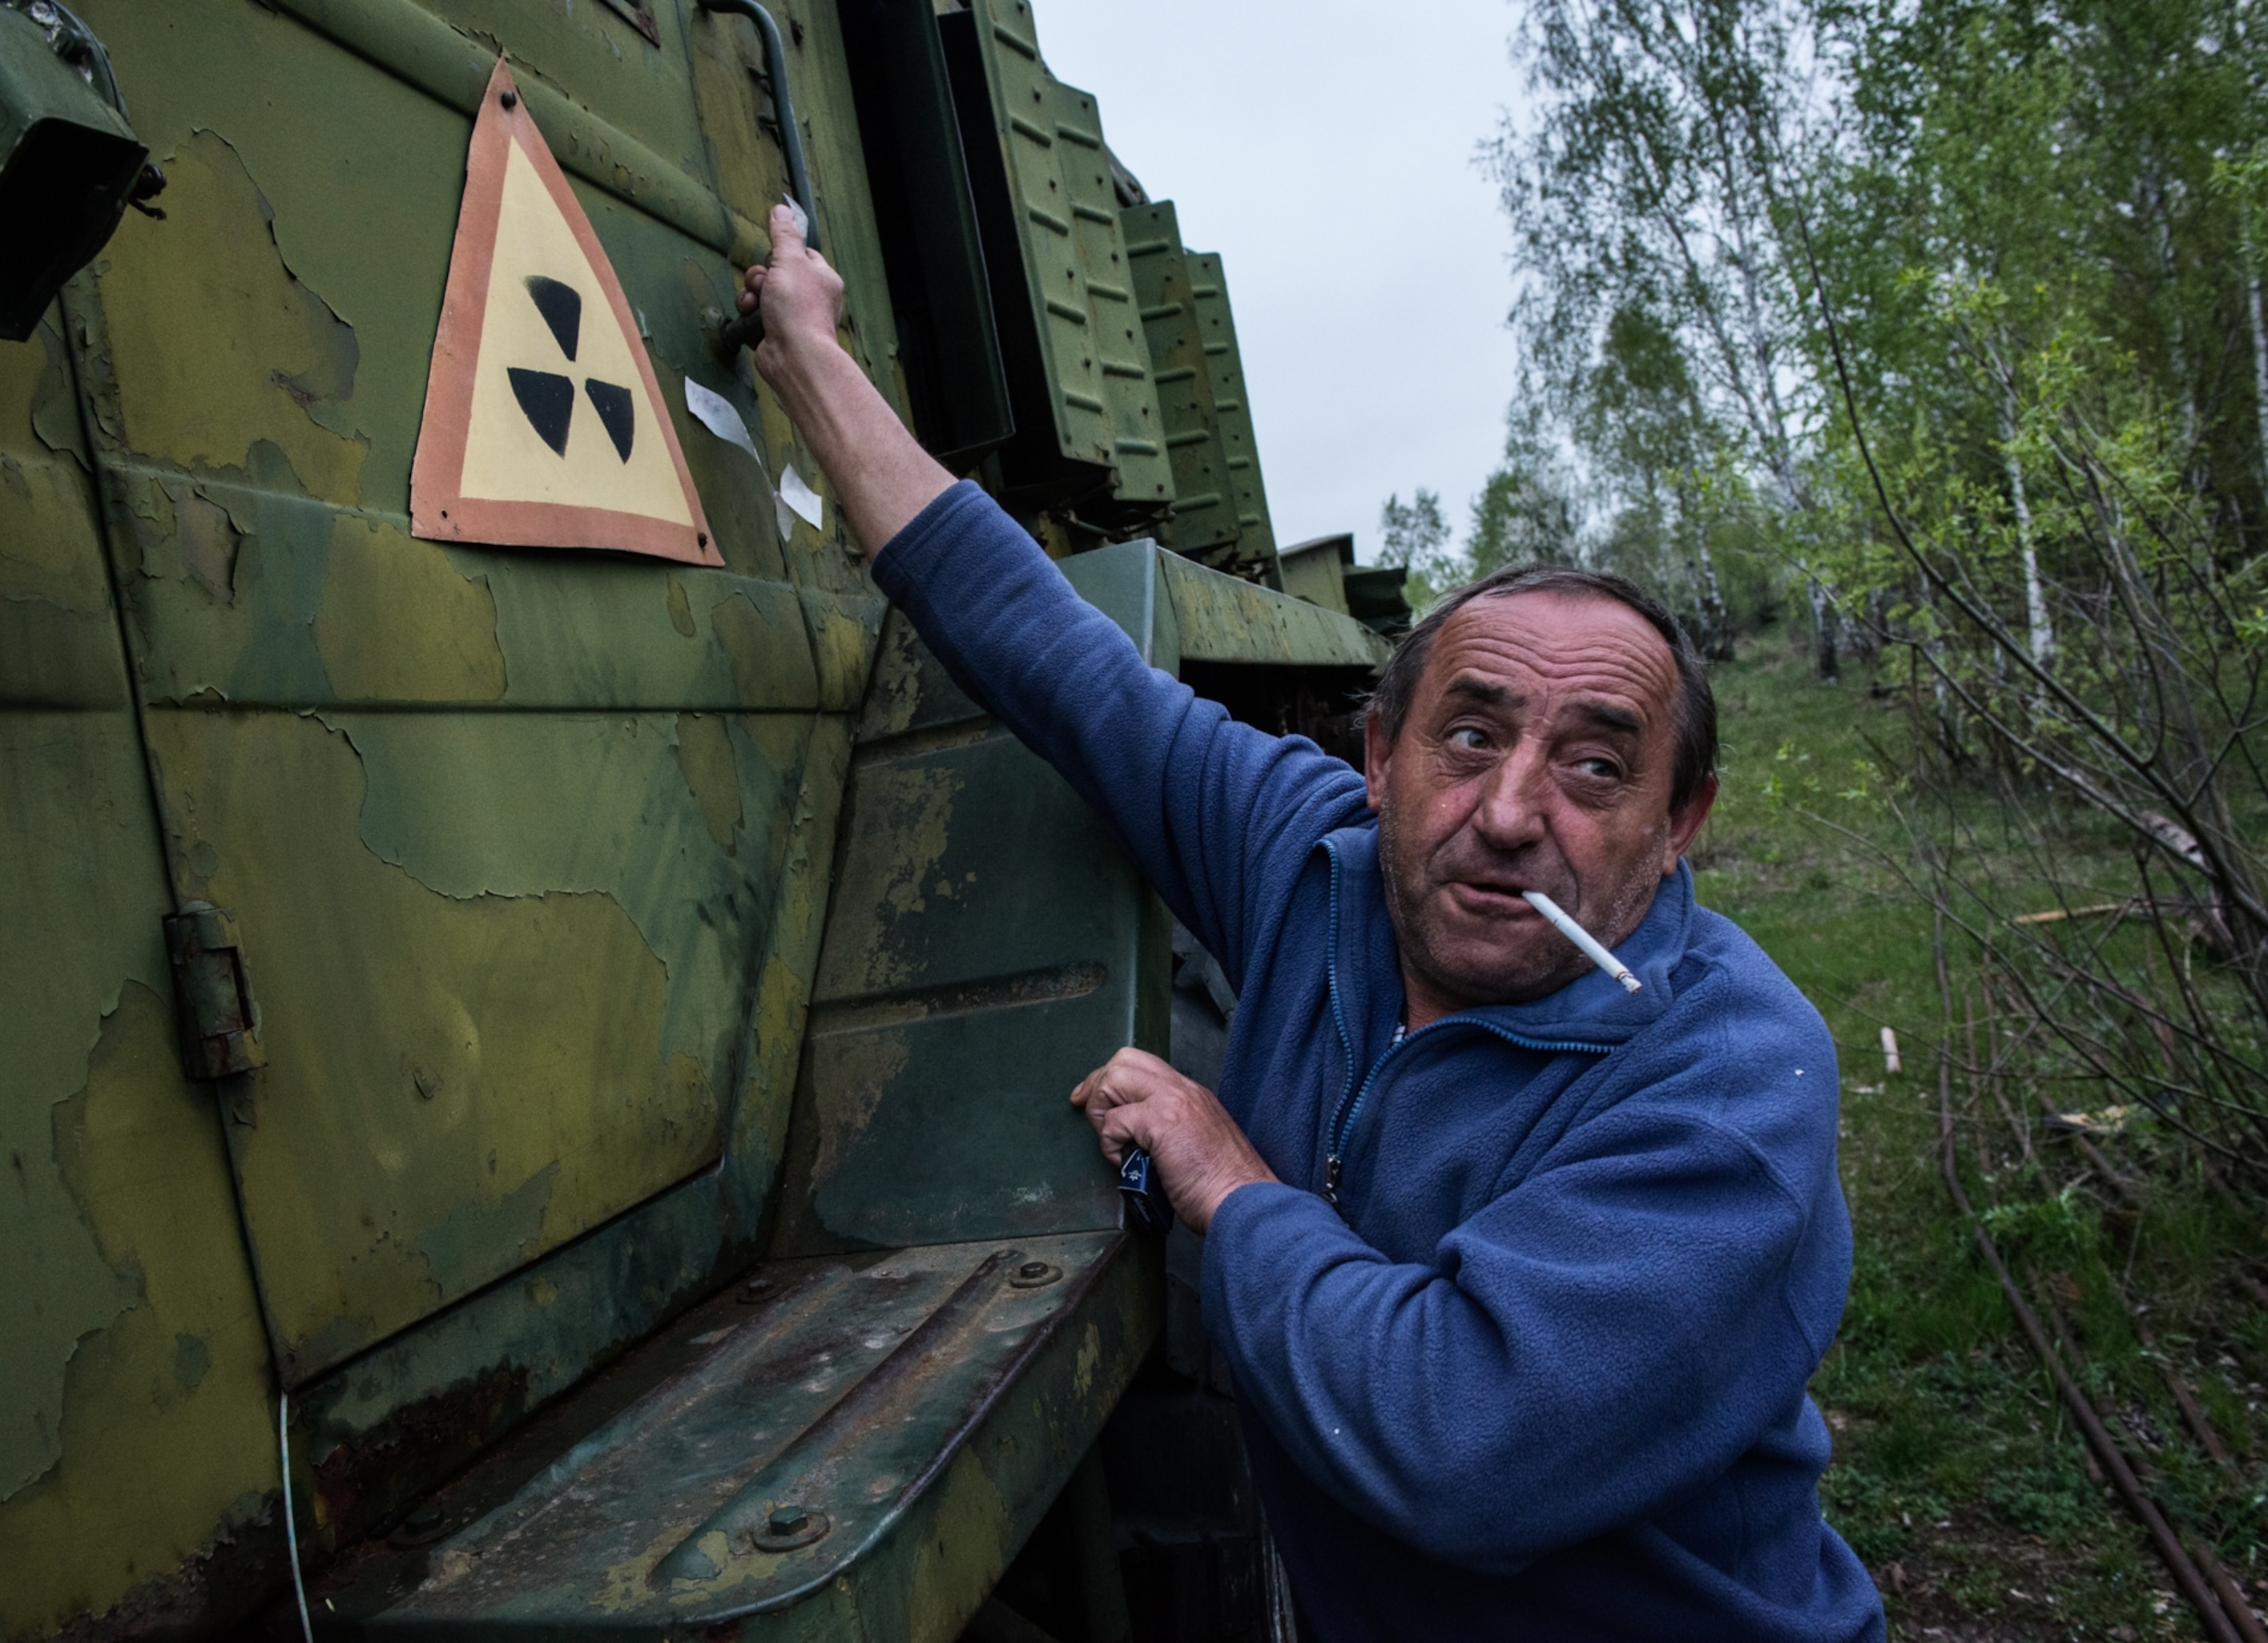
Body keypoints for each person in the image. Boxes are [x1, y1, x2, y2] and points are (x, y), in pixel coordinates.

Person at [739, 207, 1884, 1642]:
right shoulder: (1318, 861)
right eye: (1469, 737)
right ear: (1378, 753)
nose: (1516, 811)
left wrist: (1233, 1186)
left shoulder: (1731, 1082)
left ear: (1681, 823)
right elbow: (1065, 665)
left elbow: (1456, 1441)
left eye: (1597, 766)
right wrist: (811, 363)